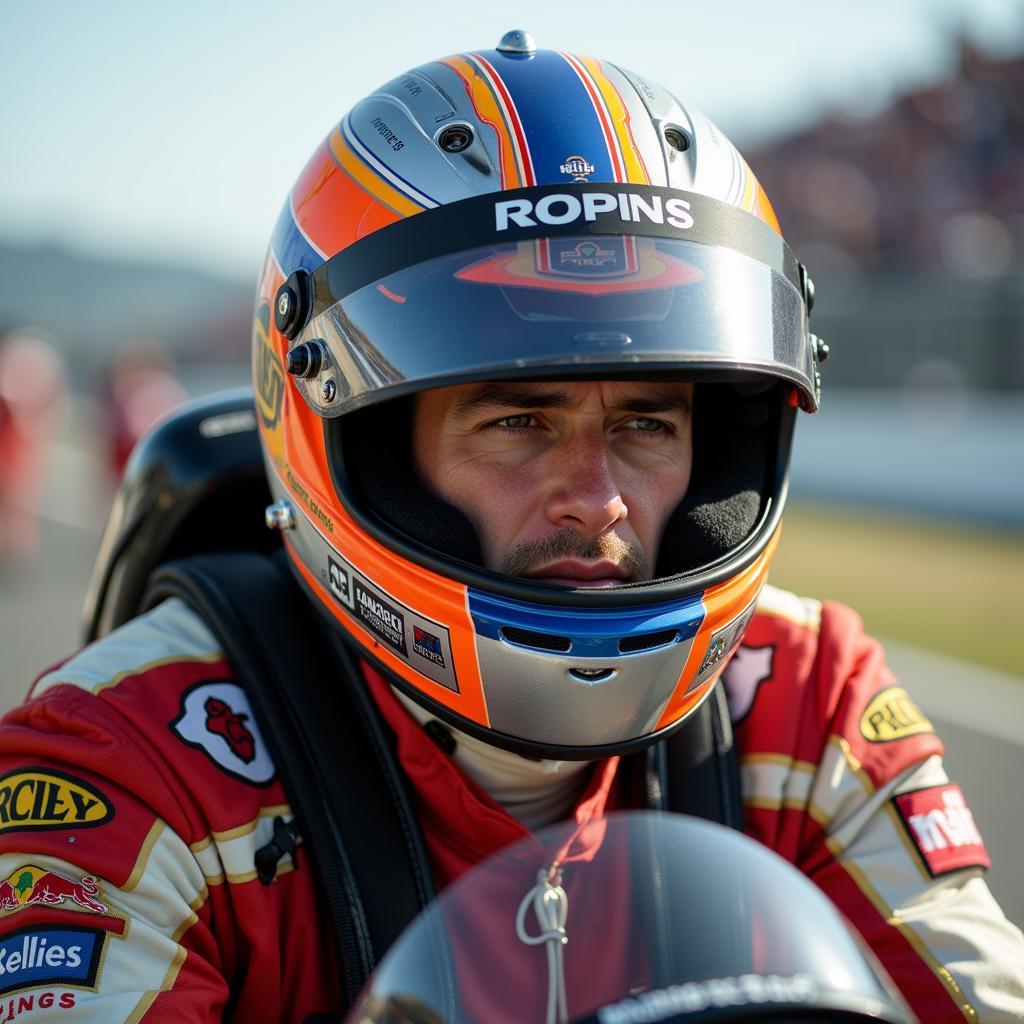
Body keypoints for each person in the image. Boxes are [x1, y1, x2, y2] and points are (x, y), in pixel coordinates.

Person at [1, 34, 1022, 1023]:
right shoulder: (124, 756)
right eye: (519, 420)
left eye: (648, 422)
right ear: (348, 433)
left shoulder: (807, 698)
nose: (599, 498)